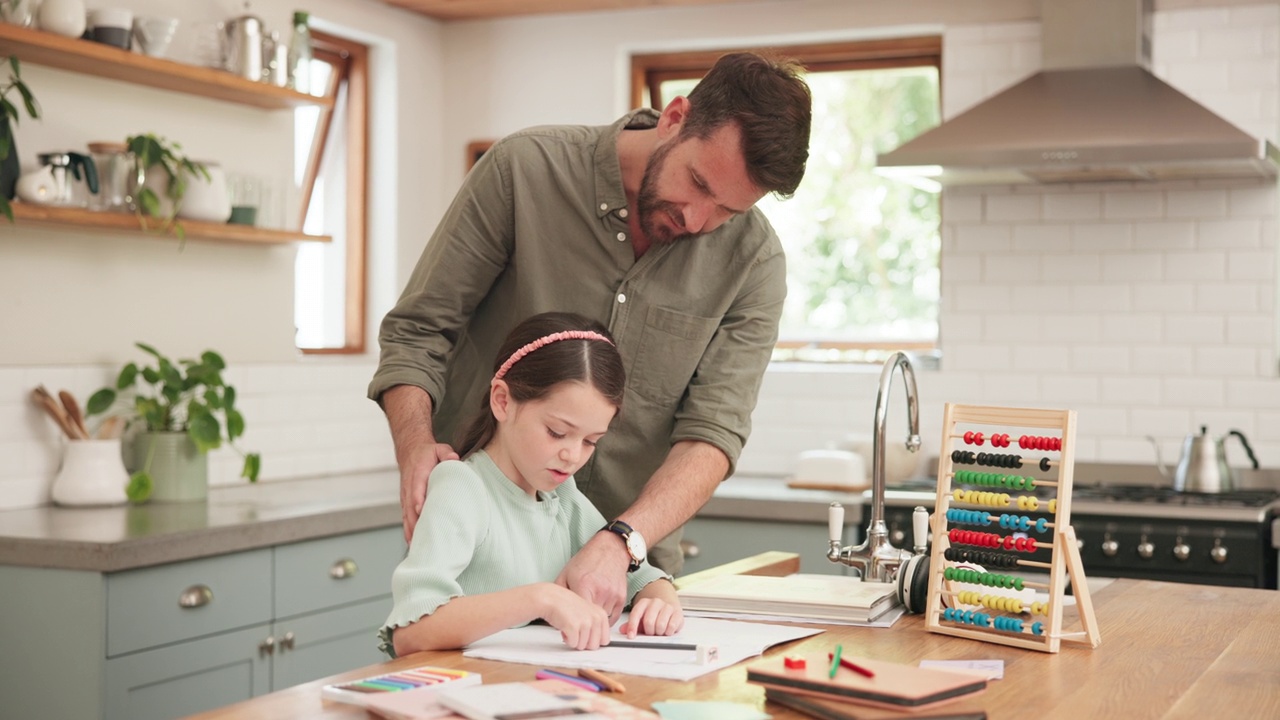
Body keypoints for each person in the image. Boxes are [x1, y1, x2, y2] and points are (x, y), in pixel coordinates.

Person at [370, 51, 812, 622]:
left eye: (728, 209)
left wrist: (623, 541)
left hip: (625, 573)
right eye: (697, 183)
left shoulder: (753, 262)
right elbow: (418, 329)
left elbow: (713, 432)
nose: (699, 220)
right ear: (674, 118)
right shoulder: (525, 171)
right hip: (482, 557)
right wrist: (413, 447)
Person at [379, 312, 684, 656]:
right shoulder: (461, 486)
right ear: (502, 401)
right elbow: (411, 631)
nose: (572, 456)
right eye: (557, 432)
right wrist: (541, 599)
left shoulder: (561, 497)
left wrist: (660, 599)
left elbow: (639, 577)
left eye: (590, 441)